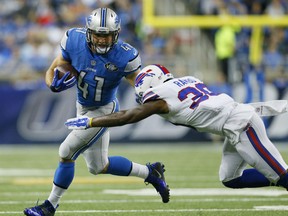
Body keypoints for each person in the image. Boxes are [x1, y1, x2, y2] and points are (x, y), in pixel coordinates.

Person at [23, 8, 170, 216]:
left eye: (107, 35)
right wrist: (52, 84)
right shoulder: (73, 40)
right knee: (99, 166)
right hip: (81, 106)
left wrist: (145, 94)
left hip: (103, 109)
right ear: (89, 32)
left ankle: (49, 206)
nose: (102, 40)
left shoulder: (124, 55)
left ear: (116, 34)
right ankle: (150, 172)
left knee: (66, 152)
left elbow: (139, 83)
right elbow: (54, 68)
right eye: (99, 35)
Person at [65, 64, 288, 194]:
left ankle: (277, 175)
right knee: (230, 179)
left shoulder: (160, 98)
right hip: (234, 124)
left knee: (282, 176)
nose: (143, 99)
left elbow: (128, 116)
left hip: (242, 126)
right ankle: (274, 175)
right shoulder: (187, 80)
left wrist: (92, 121)